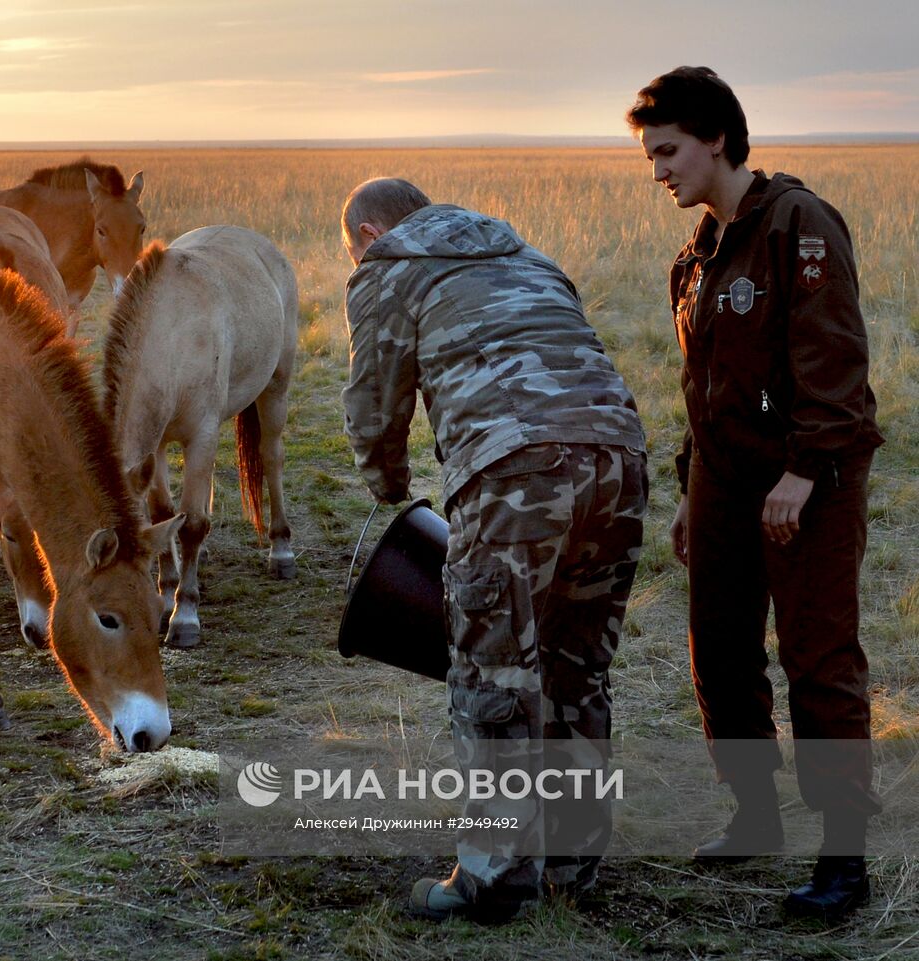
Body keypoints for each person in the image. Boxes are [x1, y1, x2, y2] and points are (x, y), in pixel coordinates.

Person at [340, 178, 647, 920]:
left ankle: (495, 877)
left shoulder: (388, 266)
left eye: (353, 250)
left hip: (516, 473)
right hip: (620, 460)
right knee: (577, 666)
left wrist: (388, 483)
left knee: (493, 673)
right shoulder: (528, 254)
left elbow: (374, 404)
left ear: (372, 233)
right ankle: (571, 865)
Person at [627, 66, 884, 922]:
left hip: (808, 484)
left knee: (818, 658)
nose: (657, 170)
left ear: (717, 140)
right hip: (724, 484)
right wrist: (686, 488)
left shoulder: (797, 226)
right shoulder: (696, 256)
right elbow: (705, 387)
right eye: (651, 155)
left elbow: (837, 362)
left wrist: (805, 471)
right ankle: (755, 813)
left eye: (667, 151)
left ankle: (844, 858)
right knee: (720, 652)